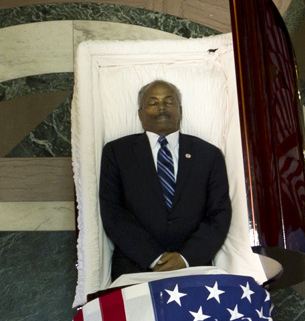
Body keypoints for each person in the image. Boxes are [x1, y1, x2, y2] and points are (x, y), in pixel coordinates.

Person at [98, 80, 232, 279]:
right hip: (135, 268)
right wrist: (152, 257)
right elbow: (112, 212)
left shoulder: (209, 155)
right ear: (140, 113)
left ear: (181, 111)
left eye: (169, 102)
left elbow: (219, 214)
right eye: (152, 103)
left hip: (194, 269)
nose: (161, 107)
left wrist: (185, 258)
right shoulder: (117, 152)